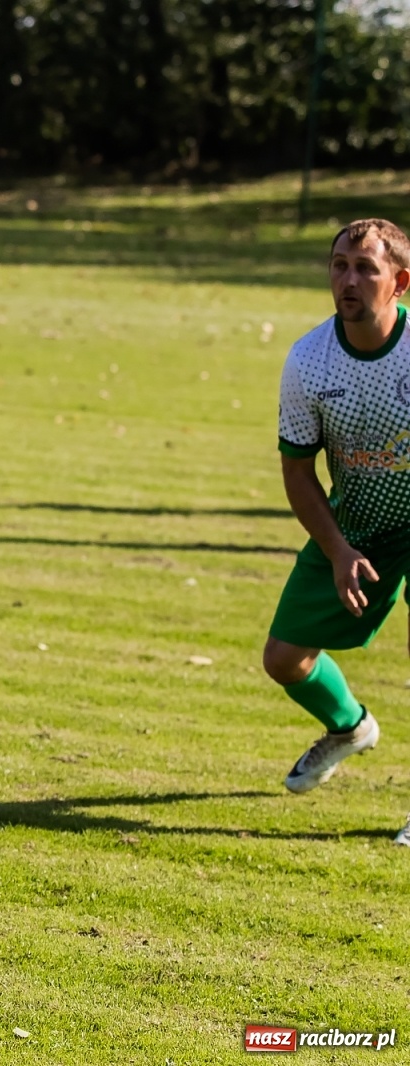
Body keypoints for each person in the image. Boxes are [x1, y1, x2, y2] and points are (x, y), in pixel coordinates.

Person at [264, 218, 410, 835]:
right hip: (359, 527)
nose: (348, 280)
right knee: (285, 659)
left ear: (400, 282)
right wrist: (340, 548)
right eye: (339, 266)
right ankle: (349, 724)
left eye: (366, 269)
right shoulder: (309, 360)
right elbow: (298, 472)